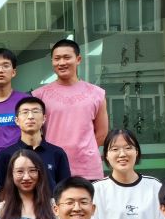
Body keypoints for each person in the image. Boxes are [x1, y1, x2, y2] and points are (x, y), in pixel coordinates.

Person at [33, 39, 108, 180]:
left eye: (67, 57)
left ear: (78, 59)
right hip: (52, 167)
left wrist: (83, 151)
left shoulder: (96, 93)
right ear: (52, 61)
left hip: (88, 169)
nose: (61, 63)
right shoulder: (39, 95)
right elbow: (34, 133)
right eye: (57, 59)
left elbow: (102, 133)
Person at [0, 96, 72, 192]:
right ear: (17, 120)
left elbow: (66, 190)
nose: (30, 116)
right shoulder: (5, 155)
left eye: (35, 111)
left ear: (44, 118)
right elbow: (0, 191)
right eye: (25, 112)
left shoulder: (57, 153)